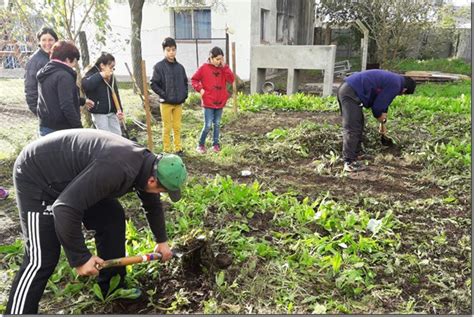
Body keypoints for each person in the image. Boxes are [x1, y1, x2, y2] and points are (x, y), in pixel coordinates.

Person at [5, 129, 187, 314]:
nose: (160, 195)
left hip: (73, 178)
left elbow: (152, 204)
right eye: (162, 191)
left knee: (112, 216)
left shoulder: (147, 165)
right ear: (151, 180)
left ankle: (112, 286)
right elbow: (65, 208)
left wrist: (161, 241)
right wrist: (80, 258)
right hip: (38, 176)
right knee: (42, 258)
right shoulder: (118, 169)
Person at [337, 69, 416, 172]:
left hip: (348, 88)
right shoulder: (396, 85)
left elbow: (383, 101)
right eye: (402, 94)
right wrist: (379, 117)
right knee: (353, 128)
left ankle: (354, 156)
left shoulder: (394, 79)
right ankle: (349, 162)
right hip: (350, 92)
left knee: (358, 124)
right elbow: (378, 107)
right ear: (404, 90)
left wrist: (382, 122)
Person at [36, 40, 93, 136]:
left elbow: (55, 98)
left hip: (45, 126)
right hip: (61, 129)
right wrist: (79, 128)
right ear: (67, 59)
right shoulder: (64, 76)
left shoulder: (47, 71)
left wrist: (82, 101)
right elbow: (67, 105)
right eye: (74, 61)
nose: (74, 65)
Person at [191, 46, 235, 154]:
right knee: (208, 125)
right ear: (211, 58)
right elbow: (194, 79)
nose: (219, 61)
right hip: (208, 101)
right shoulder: (203, 68)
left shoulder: (223, 69)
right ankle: (200, 145)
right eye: (217, 59)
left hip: (220, 101)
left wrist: (225, 67)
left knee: (217, 124)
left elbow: (231, 79)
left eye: (221, 59)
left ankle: (215, 144)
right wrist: (200, 90)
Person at [150, 37, 188, 156]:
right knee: (167, 127)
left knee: (177, 127)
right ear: (164, 51)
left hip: (178, 103)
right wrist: (163, 94)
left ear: (176, 50)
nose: (171, 52)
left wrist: (184, 95)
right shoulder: (159, 67)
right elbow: (153, 83)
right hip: (166, 103)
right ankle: (166, 150)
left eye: (173, 49)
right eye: (168, 50)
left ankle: (178, 148)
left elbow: (185, 82)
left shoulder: (180, 67)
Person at [82, 52, 124, 136]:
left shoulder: (111, 76)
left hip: (111, 112)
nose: (112, 70)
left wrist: (119, 109)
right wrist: (100, 75)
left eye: (113, 68)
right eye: (111, 67)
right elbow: (87, 85)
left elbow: (115, 92)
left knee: (118, 136)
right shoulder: (90, 74)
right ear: (102, 65)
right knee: (105, 137)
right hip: (99, 113)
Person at [24, 27, 58, 116]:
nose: (47, 43)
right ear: (39, 42)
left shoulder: (57, 57)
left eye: (50, 40)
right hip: (47, 114)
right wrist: (39, 112)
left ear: (56, 41)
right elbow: (30, 89)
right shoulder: (34, 61)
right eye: (43, 40)